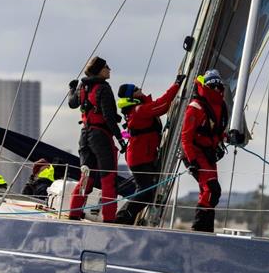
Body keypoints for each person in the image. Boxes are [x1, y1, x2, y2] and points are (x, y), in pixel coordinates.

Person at [114, 74, 185, 225]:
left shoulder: (138, 108)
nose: (140, 89)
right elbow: (163, 105)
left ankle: (127, 218)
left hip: (142, 156)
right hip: (140, 158)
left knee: (147, 191)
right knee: (146, 191)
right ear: (132, 95)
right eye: (136, 89)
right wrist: (177, 84)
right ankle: (123, 217)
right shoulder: (139, 110)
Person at [67, 56, 125, 222]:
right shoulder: (104, 88)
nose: (109, 69)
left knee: (86, 178)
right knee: (108, 179)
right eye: (107, 67)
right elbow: (108, 117)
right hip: (101, 137)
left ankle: (74, 215)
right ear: (99, 70)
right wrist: (121, 139)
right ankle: (109, 220)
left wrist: (71, 89)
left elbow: (72, 103)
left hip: (84, 136)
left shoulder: (83, 86)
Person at [181, 69, 228, 232]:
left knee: (210, 192)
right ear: (206, 86)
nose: (216, 89)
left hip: (209, 154)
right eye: (212, 86)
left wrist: (229, 136)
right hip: (194, 153)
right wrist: (192, 161)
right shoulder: (195, 107)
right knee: (212, 189)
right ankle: (198, 228)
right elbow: (186, 137)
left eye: (218, 86)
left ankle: (206, 231)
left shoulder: (219, 105)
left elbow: (216, 130)